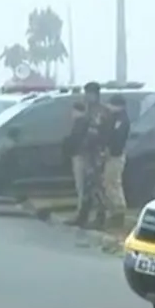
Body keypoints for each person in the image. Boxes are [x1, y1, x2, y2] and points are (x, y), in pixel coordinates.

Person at [64, 82, 107, 228]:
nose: (88, 96)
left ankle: (100, 218)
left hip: (95, 154)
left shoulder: (100, 111)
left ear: (97, 94)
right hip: (84, 153)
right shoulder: (87, 110)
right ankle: (82, 217)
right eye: (87, 93)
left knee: (96, 187)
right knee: (85, 188)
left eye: (91, 93)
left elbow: (95, 133)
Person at [100, 94, 130, 227]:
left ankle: (119, 212)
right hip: (111, 155)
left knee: (113, 183)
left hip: (115, 156)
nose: (109, 107)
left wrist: (110, 151)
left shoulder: (122, 120)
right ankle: (113, 212)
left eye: (112, 104)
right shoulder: (113, 118)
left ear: (119, 106)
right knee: (108, 183)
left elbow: (117, 138)